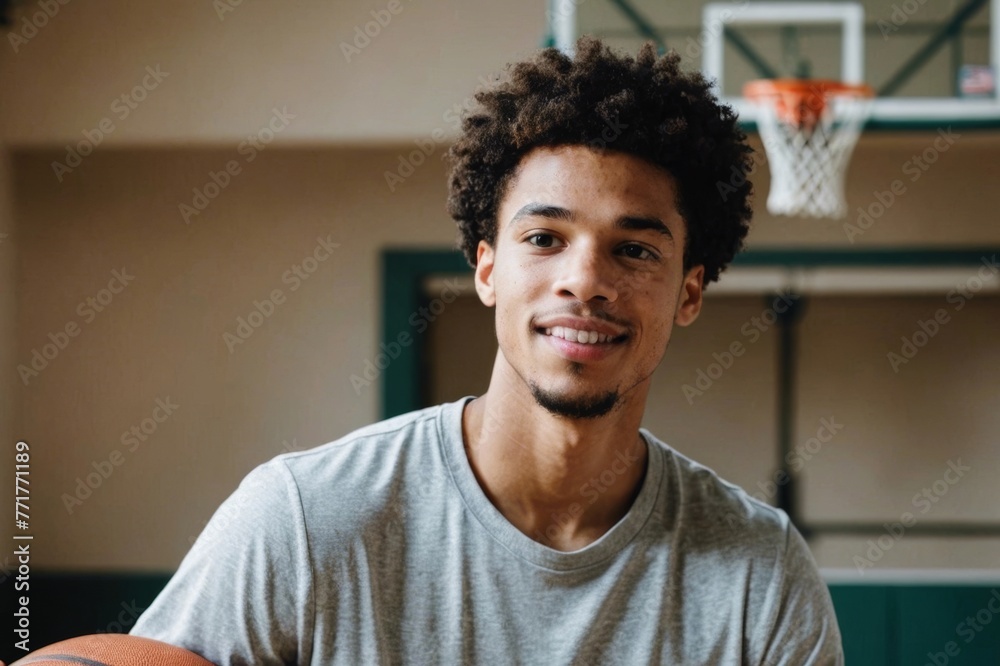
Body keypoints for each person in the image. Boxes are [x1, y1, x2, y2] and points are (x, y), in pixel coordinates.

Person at [130, 37, 843, 664]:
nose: (585, 280)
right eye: (544, 238)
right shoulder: (303, 520)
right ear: (487, 271)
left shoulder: (761, 575)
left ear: (688, 294)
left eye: (633, 250)